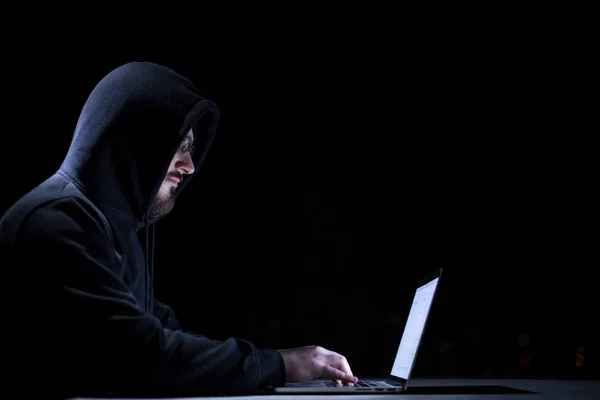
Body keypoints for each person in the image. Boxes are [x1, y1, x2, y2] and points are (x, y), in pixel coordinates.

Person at [0, 62, 357, 398]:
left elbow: (165, 336)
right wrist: (281, 364)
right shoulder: (55, 222)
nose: (188, 166)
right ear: (138, 140)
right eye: (179, 147)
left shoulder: (101, 228)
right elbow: (142, 355)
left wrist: (273, 365)